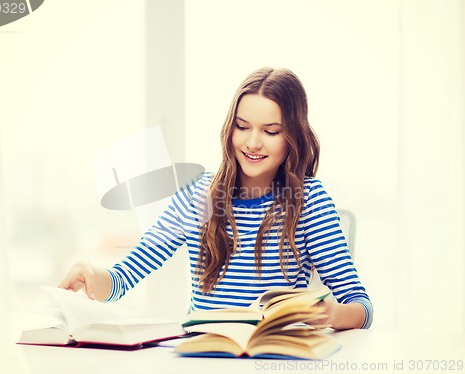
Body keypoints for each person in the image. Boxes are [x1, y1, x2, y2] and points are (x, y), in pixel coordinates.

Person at [59, 67, 373, 330]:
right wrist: (91, 274)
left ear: (293, 136)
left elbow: (360, 306)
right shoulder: (197, 195)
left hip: (273, 357)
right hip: (204, 356)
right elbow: (125, 276)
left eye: (271, 131)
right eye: (242, 127)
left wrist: (331, 314)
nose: (252, 142)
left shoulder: (309, 201)